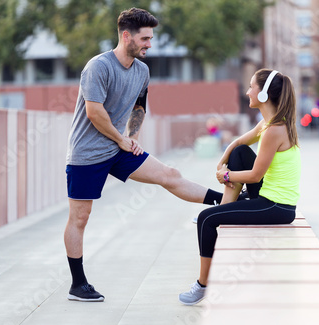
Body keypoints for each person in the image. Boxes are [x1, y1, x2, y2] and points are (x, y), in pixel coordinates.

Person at [64, 8, 224, 302]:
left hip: (119, 148)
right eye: (145, 38)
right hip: (86, 153)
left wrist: (133, 138)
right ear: (127, 36)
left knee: (169, 175)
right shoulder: (98, 67)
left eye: (151, 38)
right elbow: (94, 112)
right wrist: (121, 139)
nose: (150, 44)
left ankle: (227, 203)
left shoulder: (142, 71)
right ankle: (78, 284)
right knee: (80, 217)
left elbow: (139, 107)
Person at [179, 69, 301, 305]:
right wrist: (223, 161)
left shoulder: (274, 131)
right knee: (239, 151)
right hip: (271, 198)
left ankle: (203, 285)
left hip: (277, 206)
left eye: (251, 87)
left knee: (206, 219)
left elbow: (255, 176)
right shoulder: (269, 124)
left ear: (263, 95)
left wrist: (227, 174)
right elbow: (238, 143)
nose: (247, 92)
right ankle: (226, 207)